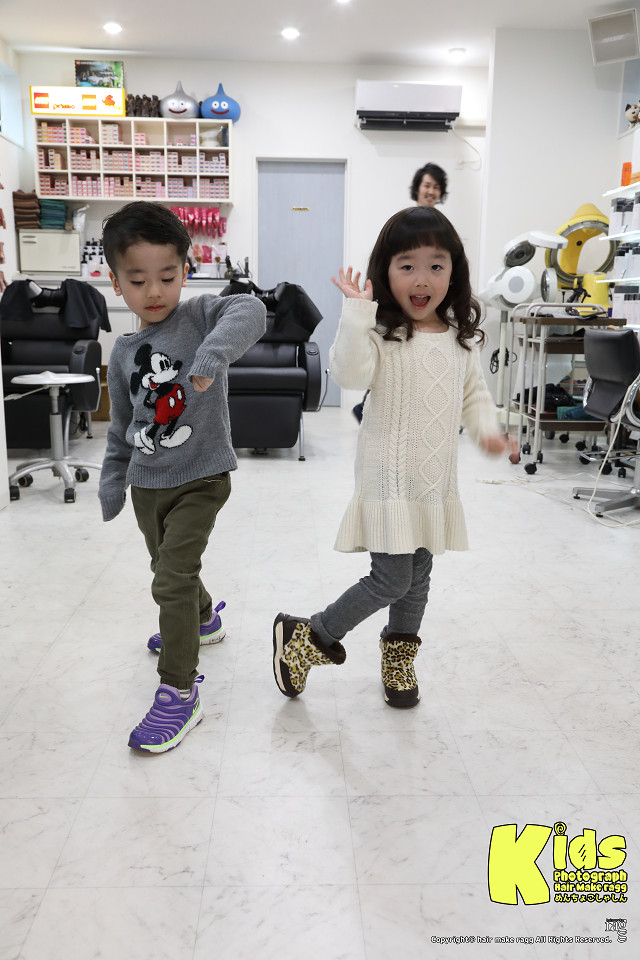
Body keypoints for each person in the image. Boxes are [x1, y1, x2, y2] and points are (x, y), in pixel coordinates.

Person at [272, 205, 510, 708]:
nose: (422, 279)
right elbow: (350, 374)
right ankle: (308, 638)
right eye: (407, 266)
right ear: (386, 272)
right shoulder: (383, 333)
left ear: (454, 271)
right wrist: (357, 314)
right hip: (388, 481)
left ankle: (399, 659)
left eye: (436, 265)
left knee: (418, 580)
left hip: (433, 482)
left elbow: (473, 395)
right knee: (391, 579)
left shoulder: (460, 340)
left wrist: (488, 432)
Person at [99, 201, 266, 752]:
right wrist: (113, 479)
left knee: (170, 578)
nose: (154, 291)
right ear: (116, 282)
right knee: (168, 567)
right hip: (148, 483)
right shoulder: (122, 353)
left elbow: (250, 310)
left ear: (185, 271)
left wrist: (212, 356)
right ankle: (203, 620)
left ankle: (178, 690)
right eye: (138, 280)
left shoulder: (199, 316)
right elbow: (121, 425)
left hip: (202, 477)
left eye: (167, 277)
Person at [351, 162, 450, 424]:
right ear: (417, 188)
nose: (431, 191)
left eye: (436, 187)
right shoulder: (404, 225)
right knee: (392, 352)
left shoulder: (444, 230)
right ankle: (367, 405)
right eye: (427, 185)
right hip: (401, 308)